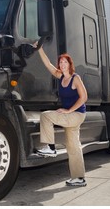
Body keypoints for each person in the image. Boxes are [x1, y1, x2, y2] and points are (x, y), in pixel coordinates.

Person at [35, 44, 88, 187]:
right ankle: (79, 178)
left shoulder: (75, 78)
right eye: (61, 62)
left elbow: (83, 98)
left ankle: (51, 148)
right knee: (73, 146)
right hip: (71, 116)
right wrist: (39, 48)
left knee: (46, 116)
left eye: (65, 62)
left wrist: (69, 110)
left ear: (70, 65)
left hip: (76, 114)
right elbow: (47, 64)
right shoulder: (60, 76)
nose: (62, 64)